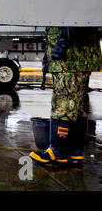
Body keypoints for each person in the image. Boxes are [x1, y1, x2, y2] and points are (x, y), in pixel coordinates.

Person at [30, 27, 102, 165]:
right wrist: (48, 55)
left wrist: (62, 43)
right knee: (76, 106)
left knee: (63, 104)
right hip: (73, 59)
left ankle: (57, 152)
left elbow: (78, 23)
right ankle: (75, 152)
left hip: (69, 59)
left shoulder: (72, 8)